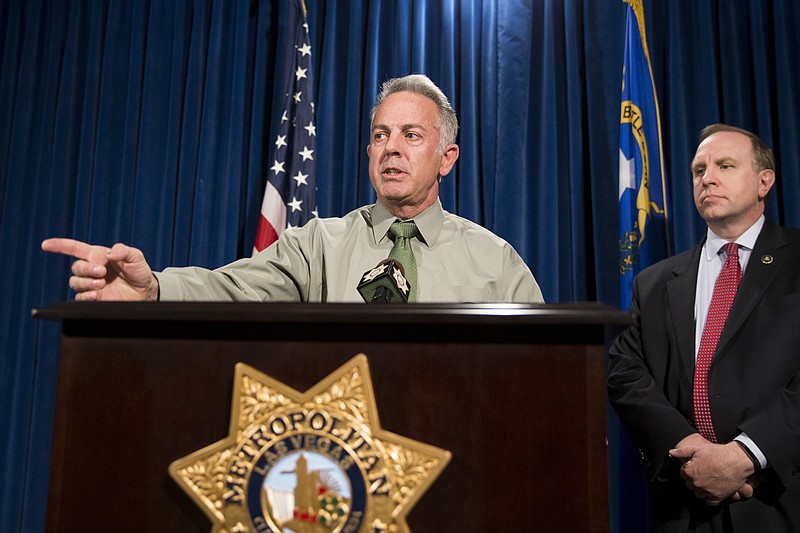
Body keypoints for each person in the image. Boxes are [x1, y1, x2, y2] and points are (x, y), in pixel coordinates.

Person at [42, 74, 544, 304]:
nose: (391, 148)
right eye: (379, 135)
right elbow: (232, 289)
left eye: (411, 136)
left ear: (447, 159)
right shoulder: (318, 244)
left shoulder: (495, 263)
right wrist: (155, 288)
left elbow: (538, 371)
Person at [608, 124, 800, 531]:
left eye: (725, 165)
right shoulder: (655, 282)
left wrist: (744, 455)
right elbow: (626, 373)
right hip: (685, 503)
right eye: (699, 170)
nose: (707, 178)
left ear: (764, 181)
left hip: (780, 498)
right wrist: (690, 448)